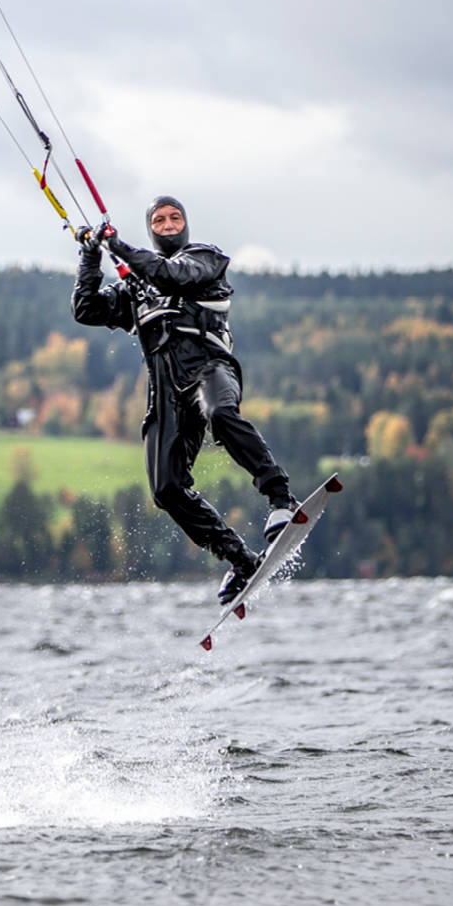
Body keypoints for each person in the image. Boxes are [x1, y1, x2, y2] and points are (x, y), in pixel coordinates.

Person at [72, 197, 296, 604]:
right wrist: (90, 256)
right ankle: (240, 560)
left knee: (221, 413)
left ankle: (281, 498)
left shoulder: (206, 260)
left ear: (186, 225)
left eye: (175, 217)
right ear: (152, 230)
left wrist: (118, 247)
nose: (169, 223)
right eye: (160, 219)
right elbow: (86, 309)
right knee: (167, 488)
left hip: (209, 368)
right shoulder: (136, 291)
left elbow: (173, 276)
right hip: (166, 394)